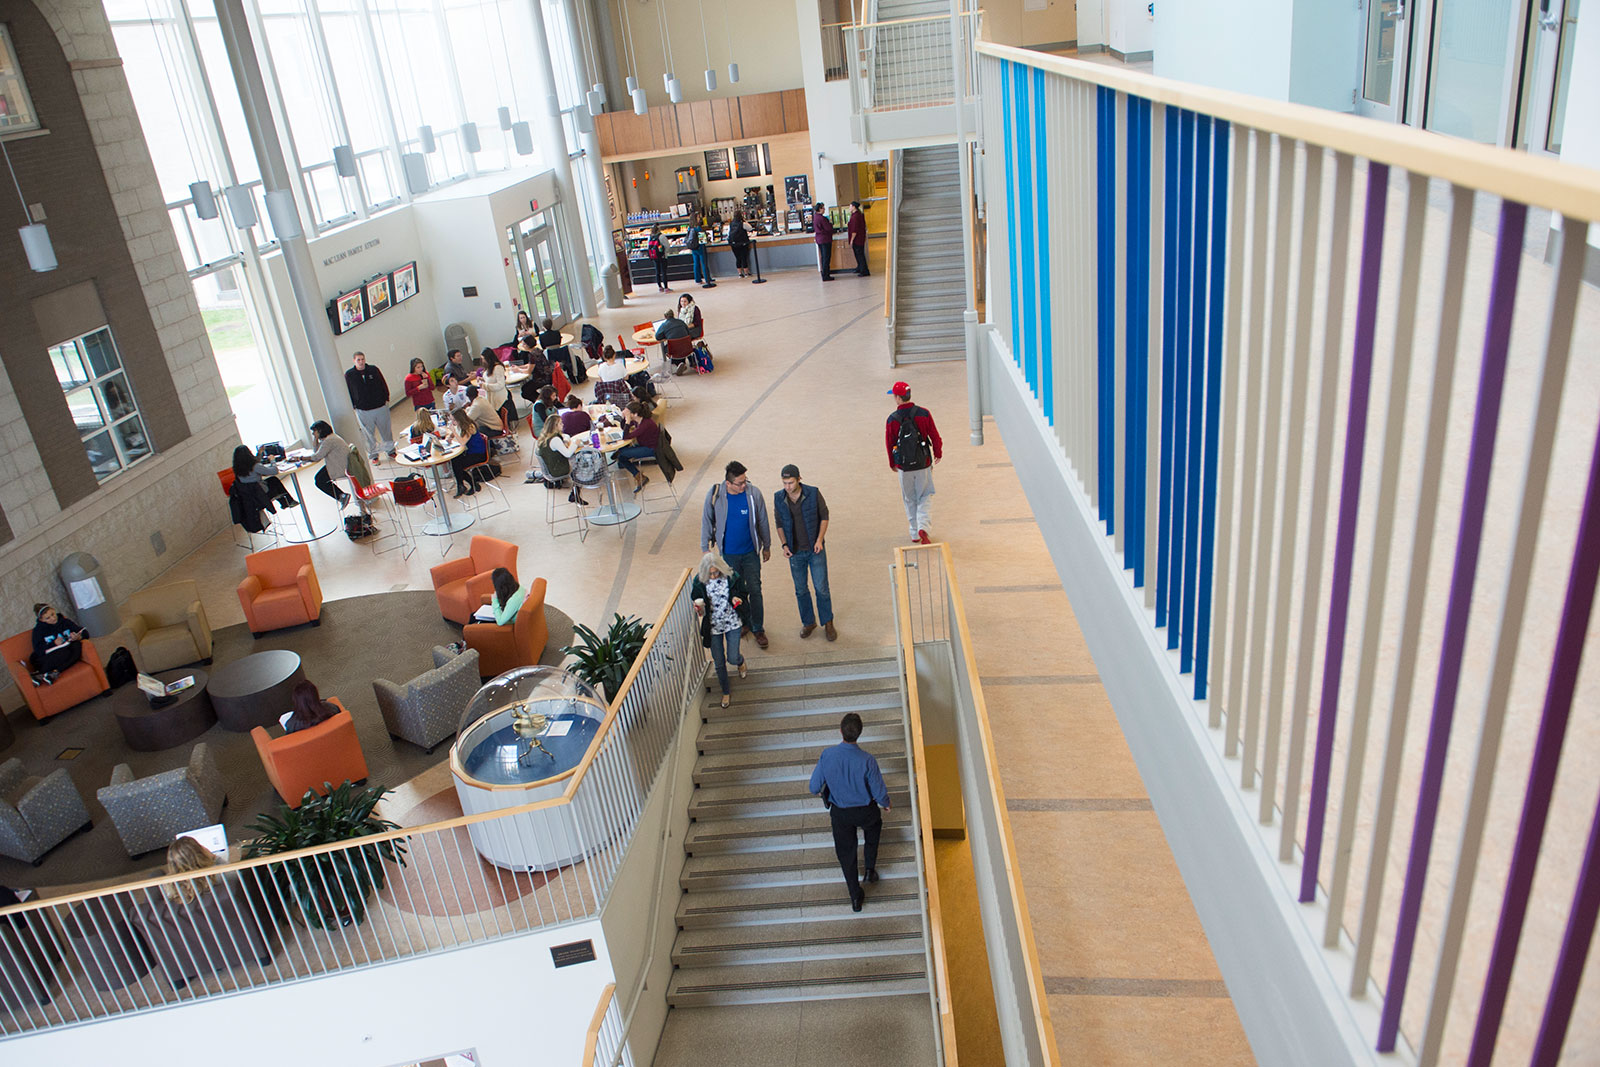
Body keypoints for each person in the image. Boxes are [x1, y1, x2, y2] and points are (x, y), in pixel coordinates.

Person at [808, 712, 890, 911]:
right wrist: (885, 803)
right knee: (874, 829)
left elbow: (813, 786)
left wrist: (820, 792)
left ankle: (855, 896)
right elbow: (878, 790)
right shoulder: (867, 760)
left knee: (846, 853)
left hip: (841, 813)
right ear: (859, 734)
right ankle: (870, 869)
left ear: (840, 731)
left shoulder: (827, 755)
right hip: (865, 810)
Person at [701, 460, 771, 649]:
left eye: (745, 481)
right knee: (737, 591)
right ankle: (744, 622)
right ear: (728, 483)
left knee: (755, 590)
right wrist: (704, 547)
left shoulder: (753, 493)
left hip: (750, 553)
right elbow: (706, 520)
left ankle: (758, 628)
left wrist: (767, 546)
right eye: (740, 483)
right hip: (728, 556)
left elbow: (763, 520)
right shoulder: (716, 495)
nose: (744, 485)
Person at [774, 464, 834, 641]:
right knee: (800, 590)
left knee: (821, 588)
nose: (787, 487)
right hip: (795, 552)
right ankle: (808, 622)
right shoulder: (779, 498)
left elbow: (824, 516)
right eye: (784, 483)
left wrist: (819, 540)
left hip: (815, 550)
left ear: (799, 479)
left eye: (791, 483)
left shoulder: (813, 493)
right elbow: (779, 523)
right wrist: (784, 545)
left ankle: (828, 622)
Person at [691, 551, 751, 709]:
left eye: (716, 572)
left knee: (732, 657)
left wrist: (737, 598)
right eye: (710, 573)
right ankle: (725, 691)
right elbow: (696, 600)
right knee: (719, 662)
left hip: (732, 621)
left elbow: (743, 593)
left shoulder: (732, 576)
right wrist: (699, 608)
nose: (713, 576)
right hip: (713, 626)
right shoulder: (699, 581)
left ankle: (740, 661)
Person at [885, 382, 942, 544]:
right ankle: (923, 526)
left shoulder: (892, 419)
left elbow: (889, 443)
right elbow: (934, 435)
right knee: (925, 494)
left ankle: (914, 533)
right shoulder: (923, 413)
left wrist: (892, 463)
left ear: (898, 398)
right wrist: (938, 453)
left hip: (904, 466)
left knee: (909, 498)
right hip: (923, 463)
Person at [345, 351, 396, 462]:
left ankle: (391, 451)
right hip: (363, 409)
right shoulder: (349, 375)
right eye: (358, 360)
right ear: (354, 361)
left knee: (386, 430)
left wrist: (386, 399)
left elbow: (383, 384)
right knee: (368, 434)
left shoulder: (373, 370)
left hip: (380, 407)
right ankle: (373, 455)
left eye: (362, 359)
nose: (361, 362)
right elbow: (348, 391)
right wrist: (354, 405)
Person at [537, 415, 588, 505]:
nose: (563, 424)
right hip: (557, 469)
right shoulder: (555, 439)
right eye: (560, 423)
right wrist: (575, 443)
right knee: (581, 464)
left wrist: (566, 442)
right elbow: (568, 454)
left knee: (577, 461)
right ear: (555, 426)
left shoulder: (546, 437)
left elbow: (565, 437)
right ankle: (575, 493)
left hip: (551, 467)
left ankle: (575, 493)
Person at [231, 444, 295, 511]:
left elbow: (255, 462)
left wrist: (259, 453)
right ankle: (288, 502)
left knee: (273, 481)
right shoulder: (255, 466)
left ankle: (286, 503)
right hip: (261, 495)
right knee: (274, 481)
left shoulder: (236, 469)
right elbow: (274, 471)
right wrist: (273, 461)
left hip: (249, 497)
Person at [613, 401, 659, 493]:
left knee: (622, 454)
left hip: (650, 448)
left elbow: (625, 436)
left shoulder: (645, 424)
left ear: (635, 414)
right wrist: (624, 419)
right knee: (621, 455)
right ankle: (638, 475)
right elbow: (624, 428)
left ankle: (639, 477)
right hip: (644, 444)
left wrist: (627, 420)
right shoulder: (639, 420)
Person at [306, 420, 353, 509]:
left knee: (320, 481)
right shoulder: (329, 438)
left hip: (339, 466)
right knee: (318, 478)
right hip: (336, 463)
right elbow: (316, 450)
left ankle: (341, 496)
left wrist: (300, 458)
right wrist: (315, 439)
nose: (313, 434)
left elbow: (317, 457)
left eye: (314, 432)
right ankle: (341, 496)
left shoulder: (329, 441)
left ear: (320, 431)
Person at [30, 603, 85, 677]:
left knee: (77, 645)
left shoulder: (65, 622)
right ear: (41, 620)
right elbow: (38, 650)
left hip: (66, 650)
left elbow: (84, 632)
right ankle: (45, 672)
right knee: (65, 653)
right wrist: (54, 643)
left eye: (52, 614)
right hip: (50, 655)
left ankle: (55, 672)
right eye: (48, 618)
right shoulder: (38, 631)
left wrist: (78, 637)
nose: (53, 618)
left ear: (54, 610)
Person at [163, 835, 220, 903]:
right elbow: (233, 874)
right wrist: (215, 858)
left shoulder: (168, 886)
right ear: (199, 854)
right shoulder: (216, 876)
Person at [449, 410, 492, 496]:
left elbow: (462, 442)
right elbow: (458, 435)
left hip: (479, 454)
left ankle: (464, 485)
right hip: (471, 452)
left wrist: (453, 431)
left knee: (457, 466)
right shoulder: (462, 425)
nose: (452, 422)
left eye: (454, 420)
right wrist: (451, 436)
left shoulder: (470, 427)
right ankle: (466, 485)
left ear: (459, 419)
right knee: (454, 461)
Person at [654, 308, 692, 374]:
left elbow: (658, 337)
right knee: (679, 345)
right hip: (687, 348)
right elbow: (688, 333)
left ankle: (677, 365)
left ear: (665, 317)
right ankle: (681, 363)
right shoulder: (681, 322)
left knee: (666, 348)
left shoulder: (664, 325)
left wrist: (666, 336)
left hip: (674, 351)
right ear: (673, 315)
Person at [686, 216, 715, 288]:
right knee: (704, 264)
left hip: (693, 248)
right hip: (700, 248)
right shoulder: (698, 228)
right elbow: (703, 240)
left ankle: (698, 279)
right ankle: (707, 279)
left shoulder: (690, 228)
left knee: (696, 264)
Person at [813, 202, 835, 281]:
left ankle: (824, 273)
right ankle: (826, 275)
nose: (824, 209)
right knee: (826, 258)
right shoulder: (822, 218)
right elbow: (828, 228)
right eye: (823, 208)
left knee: (823, 257)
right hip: (825, 239)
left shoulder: (815, 217)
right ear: (819, 209)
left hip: (819, 239)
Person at [728, 209, 752, 278]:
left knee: (738, 258)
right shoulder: (743, 223)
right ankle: (746, 273)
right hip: (742, 243)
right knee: (744, 258)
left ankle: (740, 274)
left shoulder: (731, 224)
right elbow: (750, 228)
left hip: (734, 244)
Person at [848, 200, 869, 277]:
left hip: (857, 239)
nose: (849, 208)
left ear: (854, 207)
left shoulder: (855, 217)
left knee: (860, 255)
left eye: (850, 206)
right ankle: (860, 267)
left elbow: (854, 230)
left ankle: (864, 270)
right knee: (858, 254)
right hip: (860, 238)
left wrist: (852, 240)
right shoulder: (858, 215)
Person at [647, 224, 670, 292]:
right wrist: (665, 253)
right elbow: (667, 246)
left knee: (657, 271)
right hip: (662, 256)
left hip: (654, 256)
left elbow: (648, 247)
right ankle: (666, 287)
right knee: (664, 272)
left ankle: (660, 287)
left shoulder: (650, 237)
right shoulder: (662, 236)